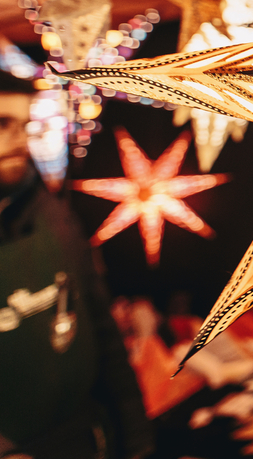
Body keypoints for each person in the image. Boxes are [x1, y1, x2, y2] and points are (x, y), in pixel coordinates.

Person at [0, 71, 152, 457]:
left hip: (85, 440)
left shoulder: (53, 215)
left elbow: (103, 337)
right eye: (2, 123)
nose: (19, 138)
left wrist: (138, 443)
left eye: (24, 124)